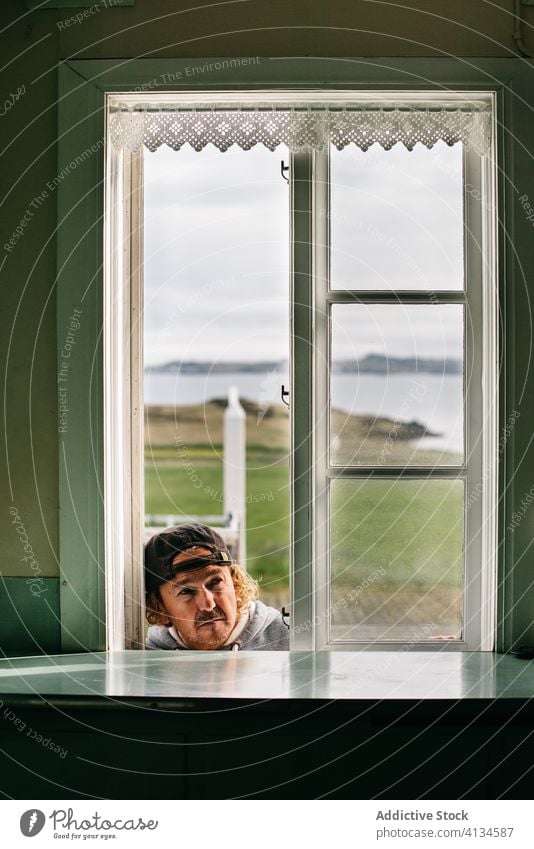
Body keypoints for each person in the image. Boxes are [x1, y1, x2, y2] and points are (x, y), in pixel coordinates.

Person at [144, 523, 289, 651]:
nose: (208, 604)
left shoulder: (293, 640)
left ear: (235, 584)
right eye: (187, 591)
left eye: (215, 582)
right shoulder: (149, 659)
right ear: (161, 610)